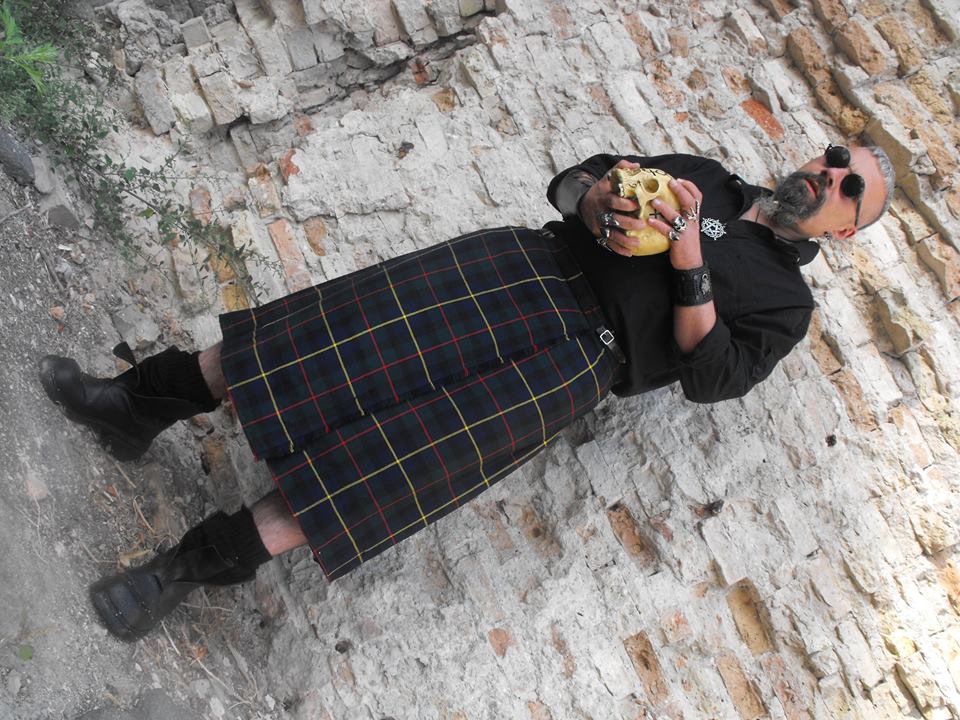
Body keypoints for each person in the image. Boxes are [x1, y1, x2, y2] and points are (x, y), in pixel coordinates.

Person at [38, 144, 894, 641]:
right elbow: (582, 181)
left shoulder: (786, 303)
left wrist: (689, 262)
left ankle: (178, 571)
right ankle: (132, 406)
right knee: (313, 340)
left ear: (848, 229)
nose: (828, 176)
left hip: (571, 368)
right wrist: (597, 201)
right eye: (833, 158)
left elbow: (712, 378)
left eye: (849, 186)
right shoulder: (708, 175)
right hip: (519, 266)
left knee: (380, 469)